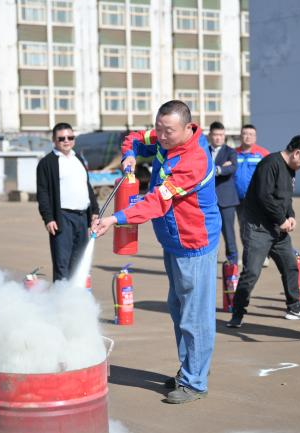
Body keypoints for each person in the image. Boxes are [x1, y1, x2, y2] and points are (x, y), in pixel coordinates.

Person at [92, 100, 221, 404]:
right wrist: (129, 156)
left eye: (168, 131)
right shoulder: (165, 137)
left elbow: (157, 201)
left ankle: (195, 383)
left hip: (193, 244)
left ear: (188, 128)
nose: (161, 136)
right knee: (178, 309)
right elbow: (135, 138)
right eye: (158, 128)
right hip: (172, 241)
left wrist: (115, 219)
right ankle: (189, 371)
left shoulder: (193, 160)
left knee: (195, 316)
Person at [227, 134, 300, 328]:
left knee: (290, 267)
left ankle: (294, 307)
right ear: (297, 153)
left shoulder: (290, 169)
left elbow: (286, 198)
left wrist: (291, 216)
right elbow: (264, 197)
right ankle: (237, 313)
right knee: (251, 272)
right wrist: (281, 219)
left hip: (279, 231)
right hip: (259, 229)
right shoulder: (270, 164)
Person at [36, 122, 99, 282]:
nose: (66, 141)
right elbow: (42, 193)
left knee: (79, 263)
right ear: (54, 140)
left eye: (70, 137)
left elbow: (87, 186)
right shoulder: (47, 163)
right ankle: (61, 296)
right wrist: (48, 218)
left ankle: (76, 295)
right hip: (62, 218)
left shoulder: (78, 159)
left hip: (82, 218)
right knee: (62, 263)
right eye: (61, 138)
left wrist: (94, 211)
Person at [234, 124, 270, 267]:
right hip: (238, 199)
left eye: (251, 134)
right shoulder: (233, 153)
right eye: (245, 134)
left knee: (259, 228)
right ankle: (249, 256)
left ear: (255, 137)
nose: (247, 137)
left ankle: (264, 255)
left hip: (257, 199)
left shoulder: (263, 154)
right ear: (240, 136)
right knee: (244, 228)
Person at [208, 121, 239, 263]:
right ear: (210, 135)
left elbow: (232, 168)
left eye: (221, 135)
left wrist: (216, 169)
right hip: (208, 200)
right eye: (215, 134)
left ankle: (232, 262)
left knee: (228, 233)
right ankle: (209, 260)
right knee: (208, 233)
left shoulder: (230, 151)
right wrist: (221, 168)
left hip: (226, 200)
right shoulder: (203, 151)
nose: (218, 138)